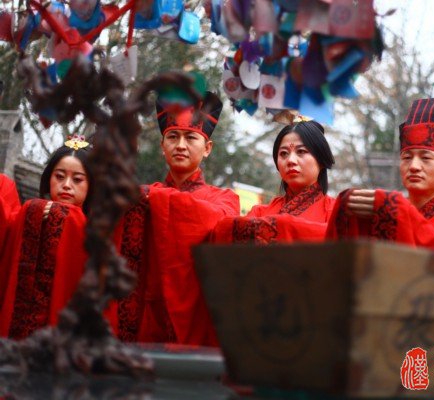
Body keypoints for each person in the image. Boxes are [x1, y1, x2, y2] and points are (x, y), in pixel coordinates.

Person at [113, 92, 240, 346]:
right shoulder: (140, 197)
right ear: (162, 147)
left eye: (190, 137)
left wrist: (156, 199)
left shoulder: (224, 199)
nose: (180, 145)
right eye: (173, 137)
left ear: (207, 149)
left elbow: (217, 221)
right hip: (142, 317)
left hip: (195, 316)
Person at [327, 96, 434, 249]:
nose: (414, 166)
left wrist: (399, 211)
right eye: (407, 157)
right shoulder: (382, 212)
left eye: (426, 158)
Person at [0, 137, 91, 339]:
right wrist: (33, 211)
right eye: (59, 176)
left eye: (77, 179)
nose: (66, 185)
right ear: (48, 179)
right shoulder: (29, 214)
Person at [210, 118, 336, 244]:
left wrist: (280, 226)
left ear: (321, 160)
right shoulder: (259, 212)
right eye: (284, 153)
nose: (291, 160)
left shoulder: (335, 211)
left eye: (301, 151)